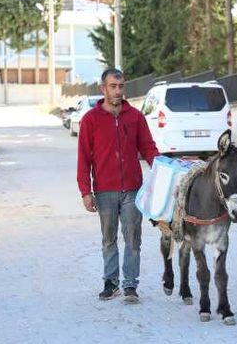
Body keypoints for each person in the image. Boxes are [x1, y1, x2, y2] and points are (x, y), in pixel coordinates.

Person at [77, 68, 159, 304]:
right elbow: (84, 158)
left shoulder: (135, 117)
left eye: (121, 86)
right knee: (109, 238)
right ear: (103, 89)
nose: (118, 91)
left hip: (133, 189)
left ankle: (131, 285)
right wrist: (86, 191)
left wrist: (164, 168)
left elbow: (148, 148)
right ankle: (111, 283)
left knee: (133, 238)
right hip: (104, 191)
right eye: (113, 86)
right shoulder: (90, 120)